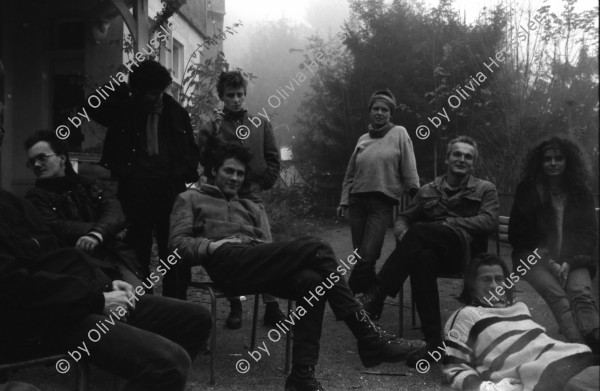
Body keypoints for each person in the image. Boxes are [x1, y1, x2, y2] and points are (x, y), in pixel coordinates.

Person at [169, 137, 425, 391]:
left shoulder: (249, 206)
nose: (235, 178)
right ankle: (368, 337)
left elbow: (268, 247)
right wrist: (210, 246)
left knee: (313, 282)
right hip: (226, 263)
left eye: (240, 173)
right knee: (318, 247)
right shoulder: (190, 198)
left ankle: (302, 376)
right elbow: (177, 245)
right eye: (229, 171)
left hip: (257, 263)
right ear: (214, 170)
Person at [0, 189, 211, 390]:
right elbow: (13, 286)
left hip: (72, 301)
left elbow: (58, 255)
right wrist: (98, 300)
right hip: (36, 320)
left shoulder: (11, 202)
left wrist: (105, 283)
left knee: (195, 318)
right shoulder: (34, 198)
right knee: (170, 364)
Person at [359, 135, 499, 363]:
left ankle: (376, 294)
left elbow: (489, 221)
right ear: (447, 158)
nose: (462, 159)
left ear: (473, 163)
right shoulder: (428, 190)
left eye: (468, 156)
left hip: (468, 255)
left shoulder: (485, 189)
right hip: (437, 254)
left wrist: (449, 224)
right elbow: (404, 217)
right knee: (421, 258)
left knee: (422, 230)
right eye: (457, 154)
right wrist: (403, 231)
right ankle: (434, 343)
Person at [88, 60, 200, 299]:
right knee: (136, 251)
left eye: (161, 91)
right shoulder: (125, 110)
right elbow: (92, 107)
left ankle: (176, 306)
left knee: (173, 251)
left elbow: (191, 148)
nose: (158, 97)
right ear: (137, 92)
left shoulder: (175, 112)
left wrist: (182, 174)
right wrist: (118, 87)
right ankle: (142, 304)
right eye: (151, 93)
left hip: (170, 192)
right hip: (134, 190)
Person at [197, 70, 283, 329]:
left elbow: (273, 158)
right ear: (221, 97)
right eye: (230, 95)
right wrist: (209, 132)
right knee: (227, 248)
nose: (236, 99)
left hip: (252, 195)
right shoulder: (212, 125)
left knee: (264, 245)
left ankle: (272, 304)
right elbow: (203, 158)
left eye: (240, 95)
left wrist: (263, 180)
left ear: (245, 95)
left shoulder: (260, 123)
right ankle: (235, 304)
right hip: (222, 196)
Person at [442, 253, 599, 391]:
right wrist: (482, 387)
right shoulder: (466, 315)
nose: (494, 286)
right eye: (486, 280)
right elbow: (454, 366)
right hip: (550, 372)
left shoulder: (520, 307)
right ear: (472, 284)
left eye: (499, 279)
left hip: (576, 356)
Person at [509, 137, 599, 352]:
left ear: (568, 161)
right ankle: (578, 349)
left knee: (581, 294)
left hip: (573, 259)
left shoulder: (580, 192)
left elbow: (587, 233)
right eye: (547, 159)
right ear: (539, 162)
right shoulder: (528, 189)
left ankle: (596, 343)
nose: (553, 163)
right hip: (532, 258)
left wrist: (568, 261)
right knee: (558, 297)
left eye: (559, 158)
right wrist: (549, 261)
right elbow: (519, 234)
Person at [23, 130, 142, 287]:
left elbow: (115, 211)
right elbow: (56, 227)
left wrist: (98, 234)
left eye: (42, 158)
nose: (36, 165)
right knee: (112, 303)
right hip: (74, 263)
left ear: (62, 158)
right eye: (32, 162)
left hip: (113, 255)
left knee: (137, 296)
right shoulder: (34, 198)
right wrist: (107, 231)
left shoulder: (90, 185)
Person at [337, 89, 420, 294]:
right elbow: (350, 175)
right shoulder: (362, 139)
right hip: (357, 203)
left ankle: (350, 295)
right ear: (370, 111)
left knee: (368, 253)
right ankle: (368, 300)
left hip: (381, 204)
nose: (380, 113)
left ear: (390, 113)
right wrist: (344, 201)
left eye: (384, 109)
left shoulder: (399, 133)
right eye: (376, 108)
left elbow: (409, 168)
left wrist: (416, 197)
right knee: (362, 255)